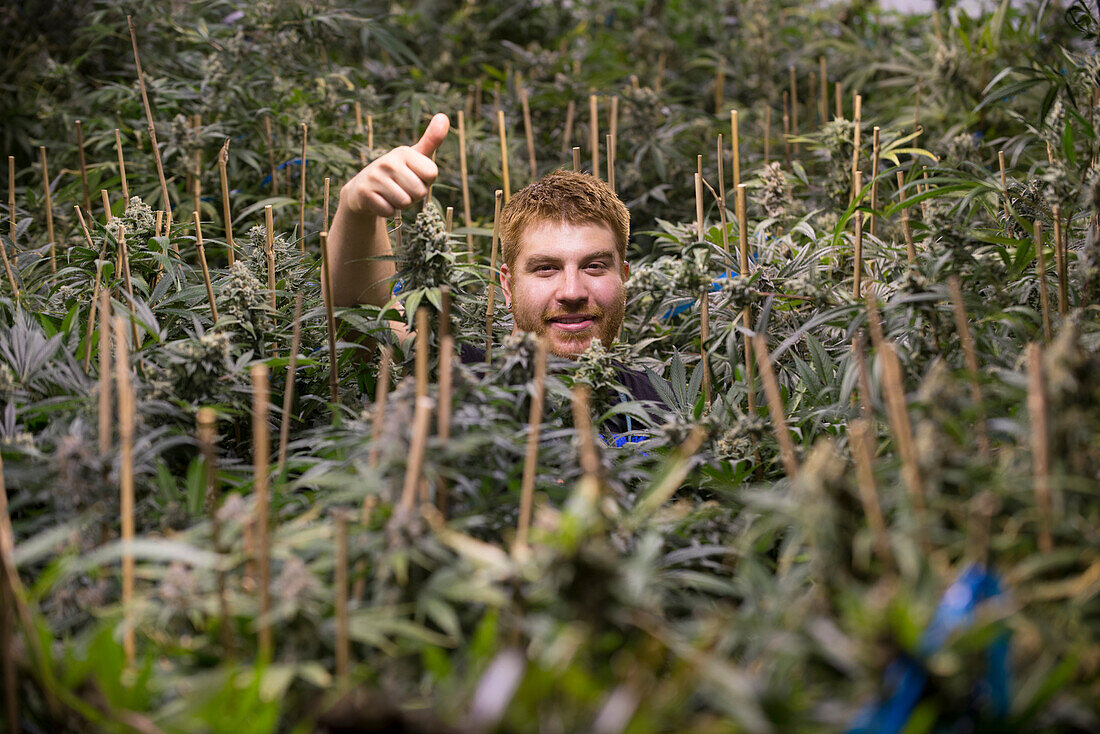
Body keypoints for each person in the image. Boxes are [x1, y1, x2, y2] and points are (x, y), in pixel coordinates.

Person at [328, 112, 663, 410]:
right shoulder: (461, 381)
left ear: (624, 278)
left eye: (593, 266)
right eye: (546, 268)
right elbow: (365, 322)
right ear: (507, 284)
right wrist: (357, 211)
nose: (572, 291)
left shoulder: (658, 408)